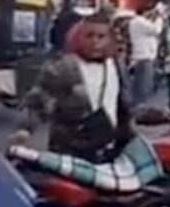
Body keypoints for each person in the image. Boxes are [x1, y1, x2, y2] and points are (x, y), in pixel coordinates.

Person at [39, 11, 131, 160]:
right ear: (80, 38)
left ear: (110, 40)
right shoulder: (65, 67)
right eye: (89, 36)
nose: (94, 41)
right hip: (71, 151)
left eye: (101, 36)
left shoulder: (116, 65)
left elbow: (124, 105)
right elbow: (39, 98)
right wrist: (24, 130)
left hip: (109, 150)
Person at [128, 4, 163, 104]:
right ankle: (140, 107)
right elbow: (156, 30)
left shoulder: (137, 22)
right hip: (144, 57)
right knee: (143, 85)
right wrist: (159, 17)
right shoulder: (140, 22)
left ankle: (139, 104)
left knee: (142, 84)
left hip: (143, 56)